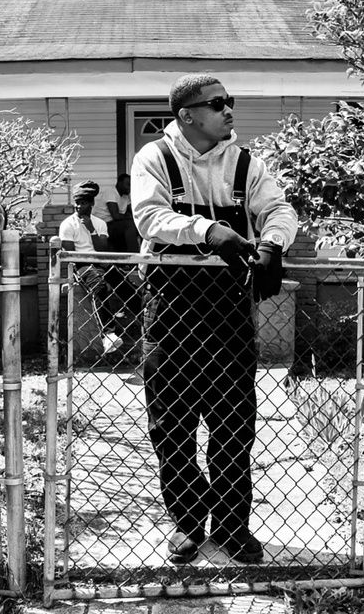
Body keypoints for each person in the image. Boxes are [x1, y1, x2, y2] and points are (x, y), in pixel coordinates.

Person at [131, 73, 299, 564]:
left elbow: (279, 210)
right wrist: (209, 231)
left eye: (230, 101)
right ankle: (187, 522)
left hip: (228, 307)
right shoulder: (154, 158)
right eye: (217, 103)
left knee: (233, 422)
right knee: (171, 423)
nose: (229, 110)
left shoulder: (246, 163)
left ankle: (230, 526)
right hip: (170, 306)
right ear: (187, 115)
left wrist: (272, 243)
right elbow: (149, 217)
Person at [59, 180, 124, 355]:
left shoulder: (100, 223)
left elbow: (102, 249)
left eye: (83, 202)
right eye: (77, 202)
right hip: (80, 264)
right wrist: (92, 263)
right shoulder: (67, 224)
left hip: (99, 260)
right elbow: (71, 255)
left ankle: (144, 321)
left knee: (122, 281)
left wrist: (91, 229)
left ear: (92, 203)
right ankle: (108, 335)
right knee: (99, 285)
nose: (79, 206)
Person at [105, 173, 140, 253]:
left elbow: (134, 212)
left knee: (138, 225)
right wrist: (130, 218)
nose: (130, 188)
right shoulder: (111, 192)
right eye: (128, 184)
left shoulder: (125, 196)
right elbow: (116, 216)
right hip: (105, 225)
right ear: (120, 183)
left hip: (116, 224)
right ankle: (134, 255)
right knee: (130, 224)